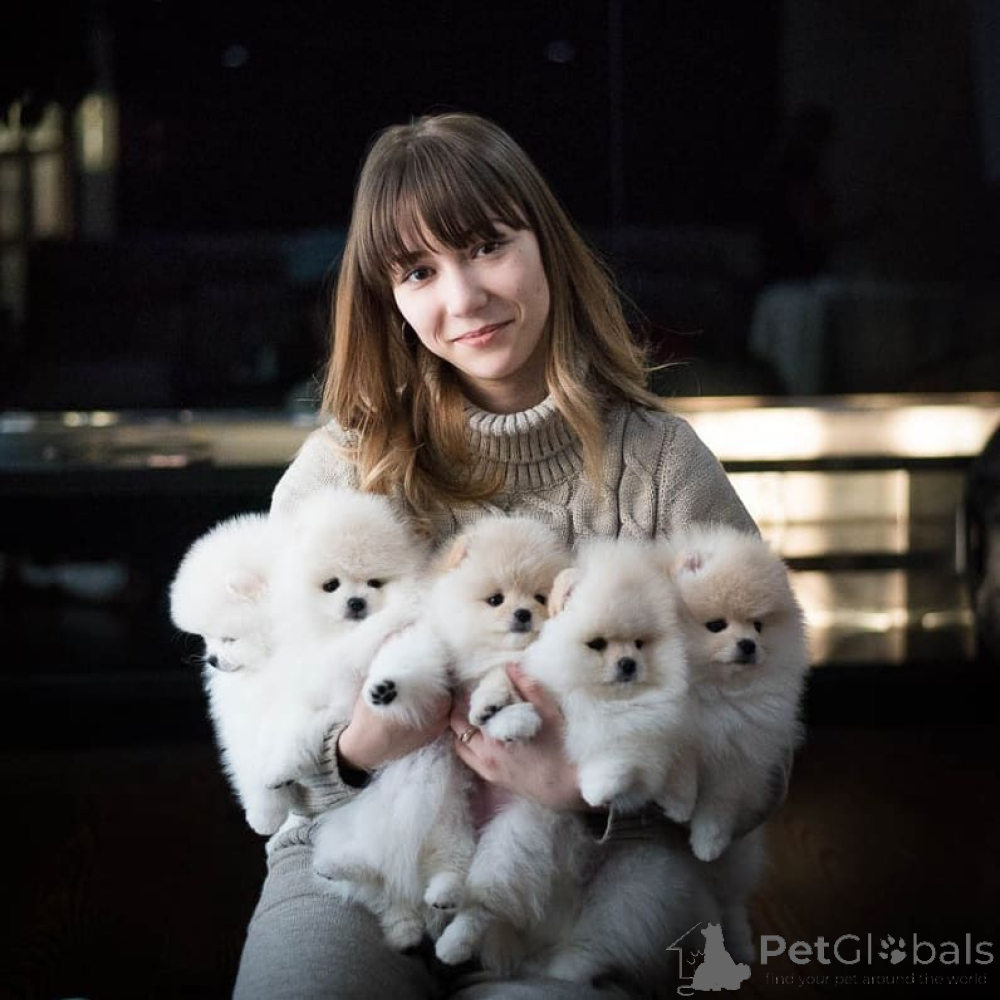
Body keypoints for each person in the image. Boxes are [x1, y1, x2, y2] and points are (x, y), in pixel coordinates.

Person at [233, 111, 776, 1000]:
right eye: (418, 271)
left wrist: (587, 791)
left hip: (590, 877)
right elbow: (259, 739)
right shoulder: (340, 470)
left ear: (546, 245)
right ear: (387, 298)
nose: (463, 299)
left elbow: (763, 748)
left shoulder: (662, 469)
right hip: (358, 856)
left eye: (487, 246)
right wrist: (359, 751)